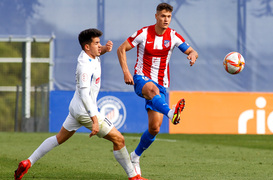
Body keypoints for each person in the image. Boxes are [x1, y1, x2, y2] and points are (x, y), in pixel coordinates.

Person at [14, 28, 147, 180]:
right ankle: (134, 177)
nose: (99, 46)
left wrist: (105, 49)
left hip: (76, 108)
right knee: (119, 139)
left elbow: (97, 52)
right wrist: (94, 120)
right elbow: (84, 95)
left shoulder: (90, 54)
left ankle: (27, 162)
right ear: (87, 47)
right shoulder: (84, 66)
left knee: (59, 138)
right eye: (97, 43)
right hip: (85, 110)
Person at [117, 2, 198, 176]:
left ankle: (135, 156)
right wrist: (126, 72)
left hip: (161, 84)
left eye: (168, 16)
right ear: (156, 16)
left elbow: (191, 50)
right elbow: (121, 49)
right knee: (152, 89)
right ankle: (171, 113)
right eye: (162, 16)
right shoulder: (144, 33)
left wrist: (192, 55)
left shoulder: (174, 36)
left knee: (154, 128)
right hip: (141, 78)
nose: (166, 19)